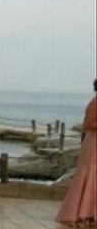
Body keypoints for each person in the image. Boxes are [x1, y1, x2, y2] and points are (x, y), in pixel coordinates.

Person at [56, 79, 97, 226]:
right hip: (93, 142)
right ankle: (77, 214)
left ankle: (90, 214)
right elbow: (87, 124)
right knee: (88, 175)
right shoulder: (95, 103)